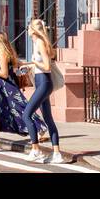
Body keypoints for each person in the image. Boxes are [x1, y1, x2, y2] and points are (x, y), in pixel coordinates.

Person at [20, 19, 70, 164]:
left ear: (33, 30)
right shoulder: (37, 43)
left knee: (26, 115)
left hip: (44, 83)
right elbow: (41, 65)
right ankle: (56, 153)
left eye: (28, 27)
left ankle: (36, 150)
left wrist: (33, 62)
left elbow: (47, 66)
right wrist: (28, 66)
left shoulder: (40, 43)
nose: (27, 29)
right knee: (48, 119)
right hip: (42, 82)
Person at [0, 31, 41, 151]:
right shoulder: (7, 53)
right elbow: (19, 63)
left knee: (20, 107)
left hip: (6, 88)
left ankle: (40, 128)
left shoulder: (2, 54)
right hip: (2, 87)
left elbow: (4, 73)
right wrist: (34, 63)